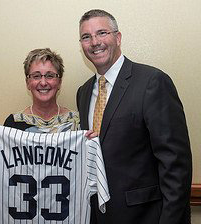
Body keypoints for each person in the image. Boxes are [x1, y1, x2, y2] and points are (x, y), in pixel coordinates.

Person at [77, 9, 192, 224]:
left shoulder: (152, 82)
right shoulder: (83, 92)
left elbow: (175, 165)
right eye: (86, 37)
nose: (94, 42)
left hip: (146, 216)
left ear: (118, 37)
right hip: (98, 216)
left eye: (102, 33)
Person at [0, 48, 95, 146]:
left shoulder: (77, 122)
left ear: (59, 82)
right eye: (36, 76)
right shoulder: (13, 123)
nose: (43, 82)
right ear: (28, 82)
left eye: (50, 76)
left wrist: (93, 142)